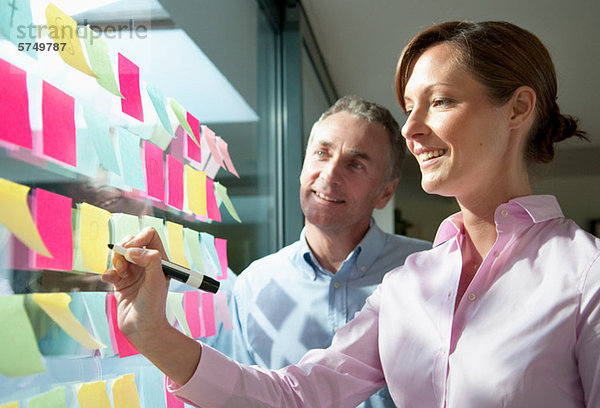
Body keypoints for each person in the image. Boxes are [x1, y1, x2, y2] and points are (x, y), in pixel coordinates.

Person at [103, 21, 600, 407]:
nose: (412, 128)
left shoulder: (585, 275)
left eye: (441, 101)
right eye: (409, 107)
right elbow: (295, 397)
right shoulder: (411, 283)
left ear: (517, 109)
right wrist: (152, 332)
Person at [228, 95, 431, 407]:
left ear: (385, 191)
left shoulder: (429, 270)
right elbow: (239, 399)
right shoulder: (252, 287)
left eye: (355, 164)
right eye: (322, 153)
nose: (329, 175)